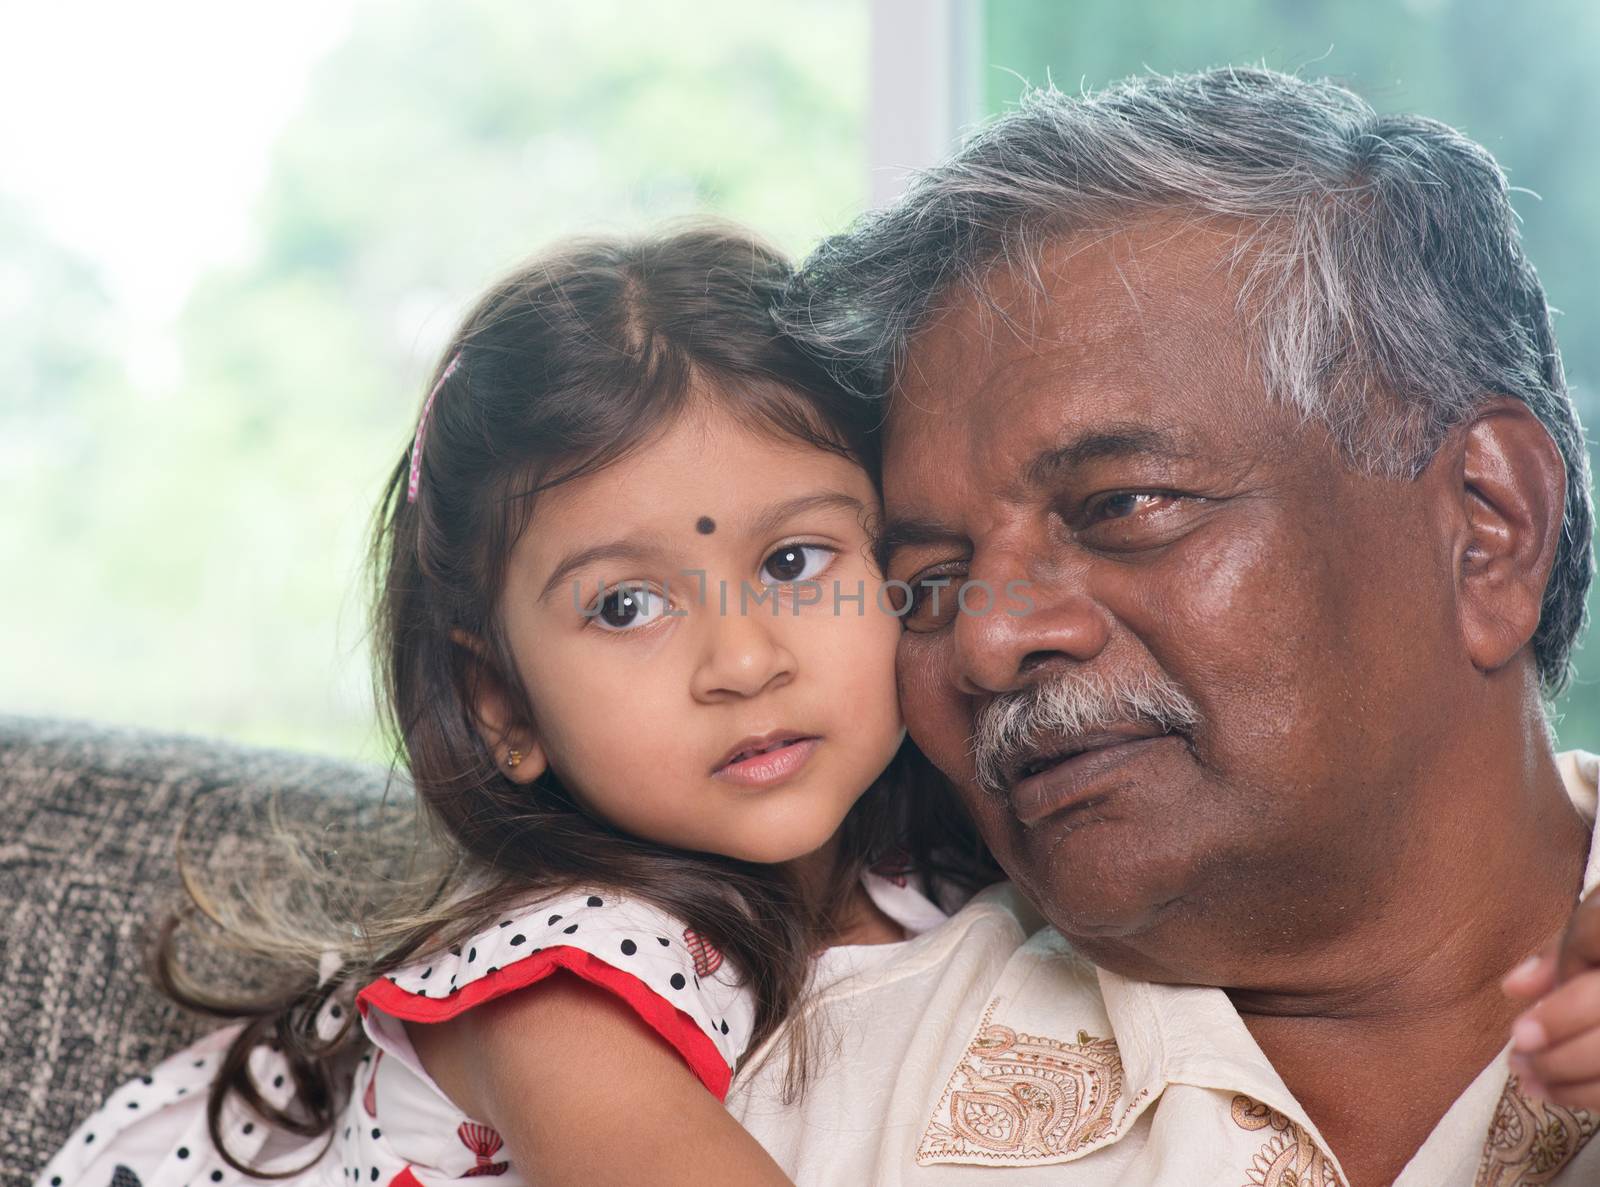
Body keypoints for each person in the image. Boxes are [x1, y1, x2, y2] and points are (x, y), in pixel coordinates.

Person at [719, 68, 1600, 1185]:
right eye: (931, 584)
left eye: (1122, 505)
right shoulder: (781, 1114)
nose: (989, 643)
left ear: (1487, 524)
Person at [34, 225, 997, 1187]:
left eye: (793, 561)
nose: (743, 660)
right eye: (626, 606)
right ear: (503, 705)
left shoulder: (939, 873)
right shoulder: (570, 983)